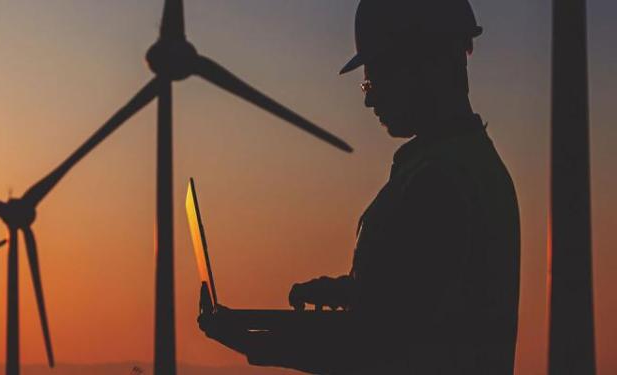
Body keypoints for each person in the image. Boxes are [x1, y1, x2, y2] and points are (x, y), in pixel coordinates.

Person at [197, 0, 520, 373]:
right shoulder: (472, 165)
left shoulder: (438, 182)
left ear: (425, 64)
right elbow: (417, 304)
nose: (369, 98)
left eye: (375, 78)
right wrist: (349, 292)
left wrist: (253, 340)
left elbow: (378, 348)